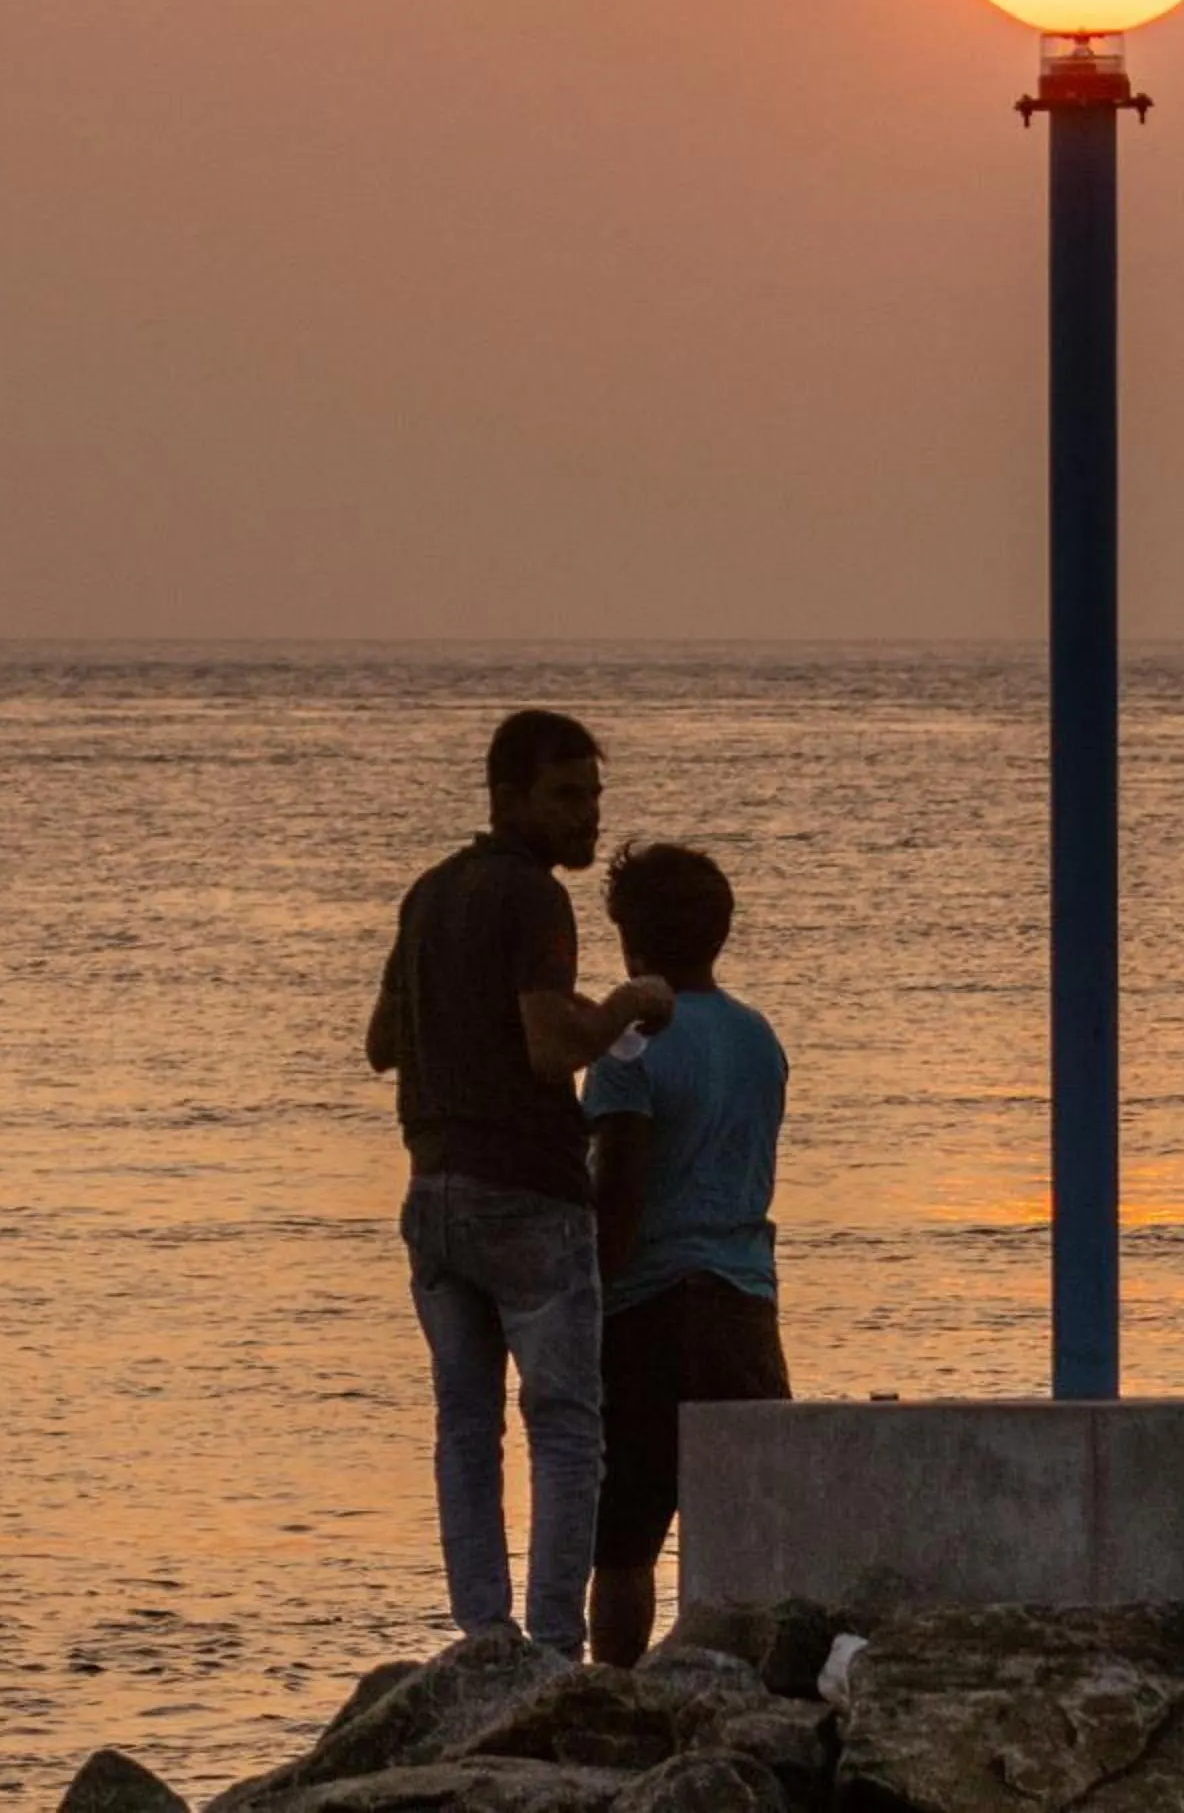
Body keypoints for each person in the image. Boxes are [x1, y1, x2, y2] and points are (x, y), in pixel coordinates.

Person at [365, 708, 676, 1659]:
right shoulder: (537, 901)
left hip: (435, 1194)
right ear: (507, 798)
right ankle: (548, 1646)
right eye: (566, 797)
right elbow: (549, 1053)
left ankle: (481, 1634)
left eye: (594, 797)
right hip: (529, 1198)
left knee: (465, 1422)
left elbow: (383, 1044)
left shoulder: (429, 895)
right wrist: (626, 1006)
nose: (586, 817)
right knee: (566, 1425)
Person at [582, 838, 791, 1668]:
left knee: (624, 1538)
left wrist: (589, 1289)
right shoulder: (757, 1039)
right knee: (746, 1529)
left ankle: (615, 1690)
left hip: (648, 1307)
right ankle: (745, 1684)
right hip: (745, 1306)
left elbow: (622, 1182)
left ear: (629, 942)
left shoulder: (628, 1043)